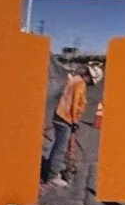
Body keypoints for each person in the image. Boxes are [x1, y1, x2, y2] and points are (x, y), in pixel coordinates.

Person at [41, 55, 98, 188]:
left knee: (58, 145)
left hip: (59, 115)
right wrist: (74, 121)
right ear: (89, 76)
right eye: (91, 82)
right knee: (60, 148)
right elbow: (75, 102)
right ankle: (52, 175)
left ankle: (52, 169)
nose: (90, 84)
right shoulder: (81, 84)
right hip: (66, 117)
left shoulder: (74, 79)